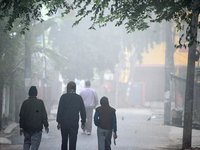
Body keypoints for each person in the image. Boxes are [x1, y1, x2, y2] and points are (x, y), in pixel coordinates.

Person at [57, 81, 86, 150]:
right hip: (74, 123)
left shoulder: (63, 97)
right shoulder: (78, 98)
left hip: (64, 123)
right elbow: (82, 111)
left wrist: (59, 122)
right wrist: (83, 122)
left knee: (64, 141)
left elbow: (60, 110)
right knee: (73, 142)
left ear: (67, 88)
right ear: (75, 88)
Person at [19, 86, 49, 150]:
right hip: (37, 129)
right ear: (36, 93)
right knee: (35, 145)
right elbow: (44, 115)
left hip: (26, 128)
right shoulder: (40, 103)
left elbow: (22, 116)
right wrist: (46, 125)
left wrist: (21, 127)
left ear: (29, 93)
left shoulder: (25, 103)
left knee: (27, 142)